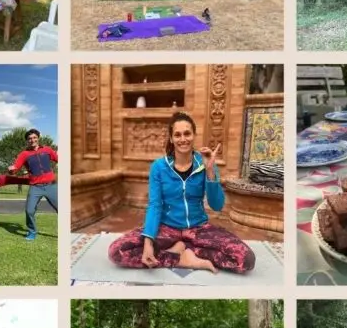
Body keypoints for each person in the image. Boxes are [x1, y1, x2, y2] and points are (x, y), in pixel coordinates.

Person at [108, 112, 257, 274]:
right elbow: (155, 205)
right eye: (177, 135)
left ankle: (186, 248)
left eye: (187, 133)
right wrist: (148, 242)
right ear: (171, 139)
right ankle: (181, 259)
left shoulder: (206, 162)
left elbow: (217, 205)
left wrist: (210, 172)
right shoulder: (158, 167)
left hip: (198, 228)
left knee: (246, 260)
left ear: (194, 135)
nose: (183, 139)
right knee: (117, 251)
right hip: (166, 228)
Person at [8, 129, 58, 241]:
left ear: (38, 138)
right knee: (29, 210)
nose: (32, 140)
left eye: (34, 137)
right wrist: (11, 170)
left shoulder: (47, 150)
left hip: (51, 186)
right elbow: (16, 168)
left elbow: (58, 159)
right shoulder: (24, 154)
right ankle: (32, 232)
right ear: (27, 141)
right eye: (30, 138)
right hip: (35, 187)